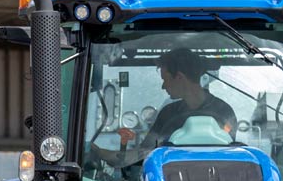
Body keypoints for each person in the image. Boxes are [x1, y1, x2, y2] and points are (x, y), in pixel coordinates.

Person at [101, 48, 237, 169]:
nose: (163, 86)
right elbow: (143, 154)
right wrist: (101, 153)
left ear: (179, 77)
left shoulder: (223, 113)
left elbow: (229, 156)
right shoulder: (168, 113)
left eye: (165, 79)